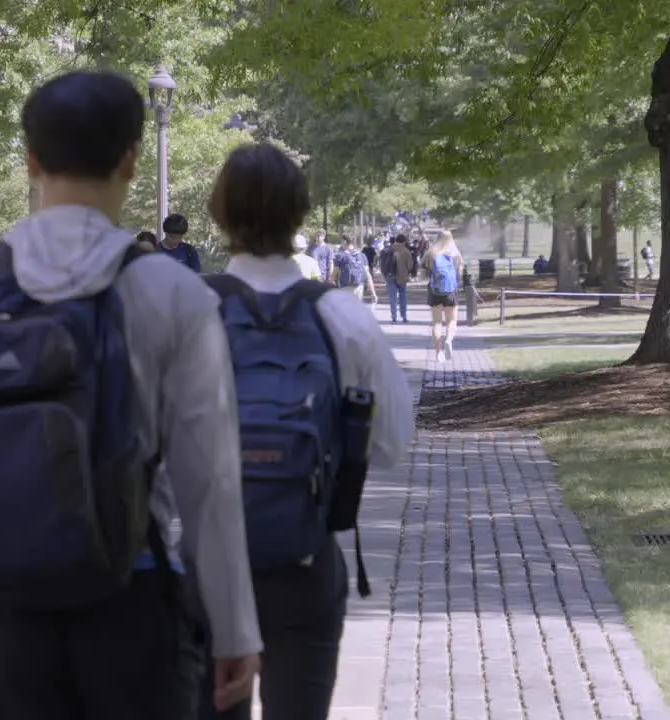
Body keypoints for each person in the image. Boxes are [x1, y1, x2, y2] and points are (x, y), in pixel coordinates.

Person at [0, 71, 262, 720]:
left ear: (29, 158)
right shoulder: (173, 293)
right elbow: (210, 483)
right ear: (132, 161)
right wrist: (234, 631)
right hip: (133, 593)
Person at [195, 142, 414, 720]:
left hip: (201, 564)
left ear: (219, 214)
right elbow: (391, 439)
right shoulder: (340, 316)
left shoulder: (187, 307)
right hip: (304, 560)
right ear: (299, 213)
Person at [422, 230, 464, 362]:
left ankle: (438, 353)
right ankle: (449, 340)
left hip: (435, 291)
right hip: (451, 291)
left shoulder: (430, 253)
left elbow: (423, 274)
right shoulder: (455, 254)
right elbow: (460, 273)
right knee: (452, 321)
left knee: (437, 322)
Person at [378, 234, 414, 324]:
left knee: (392, 297)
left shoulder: (388, 249)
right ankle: (404, 316)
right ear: (404, 241)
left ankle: (394, 317)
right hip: (402, 277)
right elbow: (410, 266)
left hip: (389, 276)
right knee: (403, 296)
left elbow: (382, 263)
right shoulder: (406, 251)